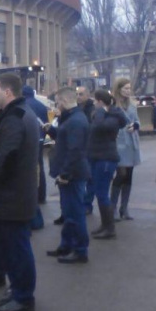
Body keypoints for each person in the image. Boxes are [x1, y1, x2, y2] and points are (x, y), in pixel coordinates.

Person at [0, 73, 39, 311]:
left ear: (8, 92)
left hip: (11, 197)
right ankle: (16, 290)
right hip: (9, 196)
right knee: (10, 246)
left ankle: (24, 298)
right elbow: (6, 146)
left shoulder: (15, 117)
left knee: (17, 248)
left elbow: (9, 156)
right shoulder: (14, 115)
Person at [47, 87, 90, 264]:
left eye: (57, 102)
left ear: (64, 101)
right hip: (70, 172)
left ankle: (80, 250)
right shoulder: (72, 118)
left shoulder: (76, 121)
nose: (56, 106)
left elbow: (75, 151)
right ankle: (67, 245)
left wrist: (65, 174)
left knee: (75, 213)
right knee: (68, 212)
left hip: (73, 174)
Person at [87, 89, 127, 239]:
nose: (94, 103)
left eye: (95, 101)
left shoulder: (112, 117)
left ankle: (109, 228)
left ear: (100, 102)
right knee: (100, 192)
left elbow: (99, 126)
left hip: (105, 159)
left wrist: (100, 112)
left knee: (103, 194)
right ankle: (105, 224)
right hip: (98, 157)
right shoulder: (107, 115)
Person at [111, 78, 142, 221]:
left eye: (129, 88)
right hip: (119, 143)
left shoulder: (132, 105)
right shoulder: (113, 106)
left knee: (129, 175)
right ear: (118, 90)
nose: (128, 91)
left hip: (131, 143)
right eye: (125, 89)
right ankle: (113, 208)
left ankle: (125, 207)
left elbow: (137, 121)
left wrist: (135, 126)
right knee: (120, 174)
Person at [23, 85, 49, 207]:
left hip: (30, 140)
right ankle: (42, 195)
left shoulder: (24, 105)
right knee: (40, 166)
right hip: (40, 138)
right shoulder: (41, 105)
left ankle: (33, 195)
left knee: (30, 168)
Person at [76, 86, 96, 216]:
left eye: (81, 94)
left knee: (89, 178)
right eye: (77, 94)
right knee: (81, 177)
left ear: (88, 95)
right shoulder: (76, 109)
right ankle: (82, 202)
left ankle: (87, 204)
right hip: (80, 147)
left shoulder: (92, 110)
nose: (78, 96)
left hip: (90, 148)